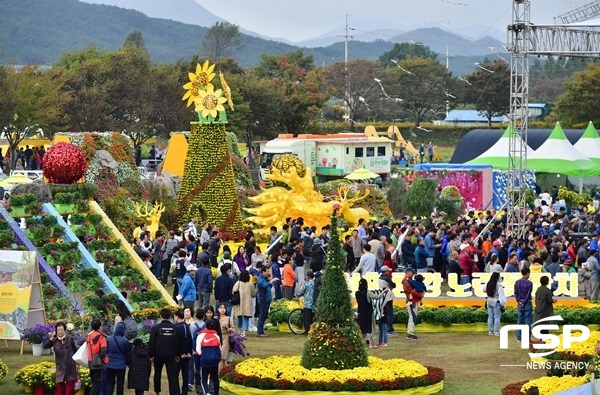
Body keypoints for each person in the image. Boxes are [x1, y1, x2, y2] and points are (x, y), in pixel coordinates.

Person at [148, 308, 180, 395]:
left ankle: (157, 391)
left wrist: (151, 356)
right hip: (171, 355)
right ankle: (172, 392)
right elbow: (177, 342)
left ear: (160, 316)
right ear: (170, 316)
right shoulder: (175, 328)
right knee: (171, 375)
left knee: (157, 373)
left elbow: (151, 343)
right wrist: (177, 354)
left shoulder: (156, 328)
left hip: (158, 355)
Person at [43, 321, 78, 395]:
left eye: (62, 330)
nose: (60, 332)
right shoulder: (54, 340)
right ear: (56, 331)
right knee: (60, 388)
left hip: (70, 366)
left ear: (65, 330)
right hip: (60, 367)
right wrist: (52, 338)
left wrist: (78, 363)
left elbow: (75, 350)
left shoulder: (70, 339)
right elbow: (44, 346)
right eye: (58, 330)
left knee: (69, 389)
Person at [355, 278, 388, 348]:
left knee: (362, 328)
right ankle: (371, 344)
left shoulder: (357, 293)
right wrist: (383, 292)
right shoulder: (368, 293)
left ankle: (360, 343)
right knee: (370, 328)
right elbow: (377, 297)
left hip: (360, 313)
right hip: (368, 313)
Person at [196, 319, 221, 395]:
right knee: (215, 378)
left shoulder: (200, 335)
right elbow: (220, 349)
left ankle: (207, 392)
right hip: (215, 361)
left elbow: (198, 350)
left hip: (205, 360)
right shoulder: (216, 336)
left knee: (204, 378)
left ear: (205, 326)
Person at [105, 322, 131, 395]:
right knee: (120, 383)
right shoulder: (125, 340)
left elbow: (106, 350)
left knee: (110, 383)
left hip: (110, 364)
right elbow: (128, 351)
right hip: (121, 365)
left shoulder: (109, 339)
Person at [174, 310, 193, 395]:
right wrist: (189, 352)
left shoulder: (176, 327)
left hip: (179, 355)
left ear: (177, 317)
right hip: (187, 354)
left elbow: (176, 342)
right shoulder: (187, 326)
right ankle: (184, 391)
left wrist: (177, 354)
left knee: (175, 374)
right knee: (185, 374)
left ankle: (177, 391)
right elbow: (190, 340)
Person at [86, 319, 108, 395]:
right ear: (100, 327)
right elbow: (103, 351)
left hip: (90, 361)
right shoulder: (102, 338)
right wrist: (106, 360)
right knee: (97, 383)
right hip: (98, 362)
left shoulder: (89, 336)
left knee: (94, 382)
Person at [232, 270, 257, 335]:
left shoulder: (238, 283)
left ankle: (240, 330)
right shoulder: (250, 284)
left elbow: (233, 291)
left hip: (239, 302)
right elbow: (253, 294)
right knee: (246, 317)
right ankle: (244, 331)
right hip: (247, 302)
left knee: (239, 316)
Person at [255, 266, 277, 337]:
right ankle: (260, 331)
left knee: (264, 315)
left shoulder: (265, 278)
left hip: (267, 299)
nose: (269, 272)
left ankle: (261, 331)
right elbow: (264, 285)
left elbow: (269, 286)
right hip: (263, 300)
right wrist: (272, 281)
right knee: (262, 315)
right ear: (263, 272)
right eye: (267, 271)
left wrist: (269, 280)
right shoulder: (260, 279)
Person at [514, 268, 533, 343]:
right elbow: (528, 294)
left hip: (519, 302)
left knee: (519, 320)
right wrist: (524, 301)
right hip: (527, 302)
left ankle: (519, 337)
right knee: (527, 321)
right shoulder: (529, 283)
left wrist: (519, 301)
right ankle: (527, 338)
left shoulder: (517, 282)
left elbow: (515, 293)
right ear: (528, 273)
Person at [485, 272, 506, 336]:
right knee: (497, 317)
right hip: (496, 302)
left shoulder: (488, 284)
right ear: (498, 278)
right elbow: (502, 297)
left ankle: (491, 331)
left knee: (490, 317)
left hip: (489, 301)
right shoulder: (499, 286)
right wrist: (503, 304)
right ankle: (497, 331)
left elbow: (484, 290)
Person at [402, 267, 420, 340]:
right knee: (412, 318)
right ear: (409, 272)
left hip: (412, 300)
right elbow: (411, 291)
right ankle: (409, 333)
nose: (413, 274)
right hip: (411, 301)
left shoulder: (408, 280)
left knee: (412, 317)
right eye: (412, 273)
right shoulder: (406, 281)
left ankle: (410, 332)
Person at [217, 303, 235, 371]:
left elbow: (233, 329)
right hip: (218, 337)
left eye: (224, 308)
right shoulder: (216, 318)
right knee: (222, 359)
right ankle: (226, 371)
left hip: (225, 337)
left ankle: (218, 373)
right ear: (218, 309)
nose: (222, 310)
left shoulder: (228, 318)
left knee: (222, 357)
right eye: (221, 308)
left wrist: (228, 329)